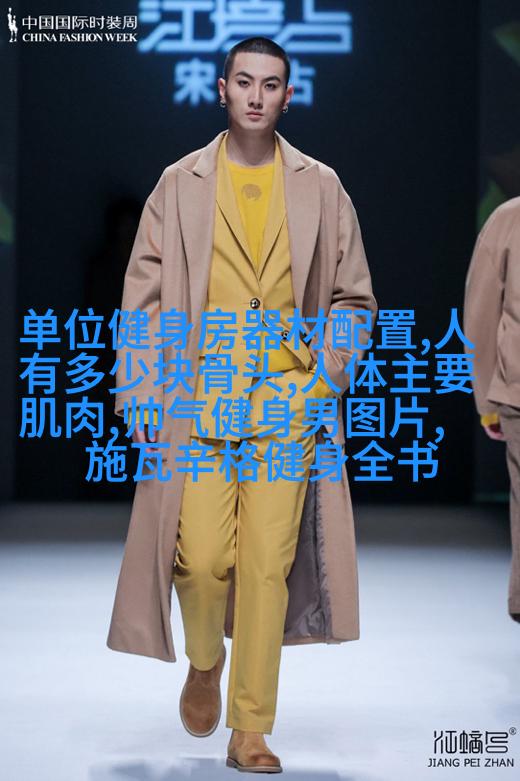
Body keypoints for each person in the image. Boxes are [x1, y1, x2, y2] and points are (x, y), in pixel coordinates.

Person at [107, 36, 377, 773]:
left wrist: (325, 379)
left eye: (272, 84)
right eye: (245, 82)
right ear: (221, 88)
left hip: (289, 401)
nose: (257, 96)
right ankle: (205, 661)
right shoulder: (179, 183)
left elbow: (354, 297)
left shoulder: (321, 186)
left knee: (265, 566)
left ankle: (250, 727)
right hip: (198, 400)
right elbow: (143, 298)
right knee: (199, 563)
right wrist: (140, 391)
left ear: (289, 95)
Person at [464, 196, 520, 625]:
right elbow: (483, 315)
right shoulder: (509, 219)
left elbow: (481, 315)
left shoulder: (510, 218)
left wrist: (487, 401)